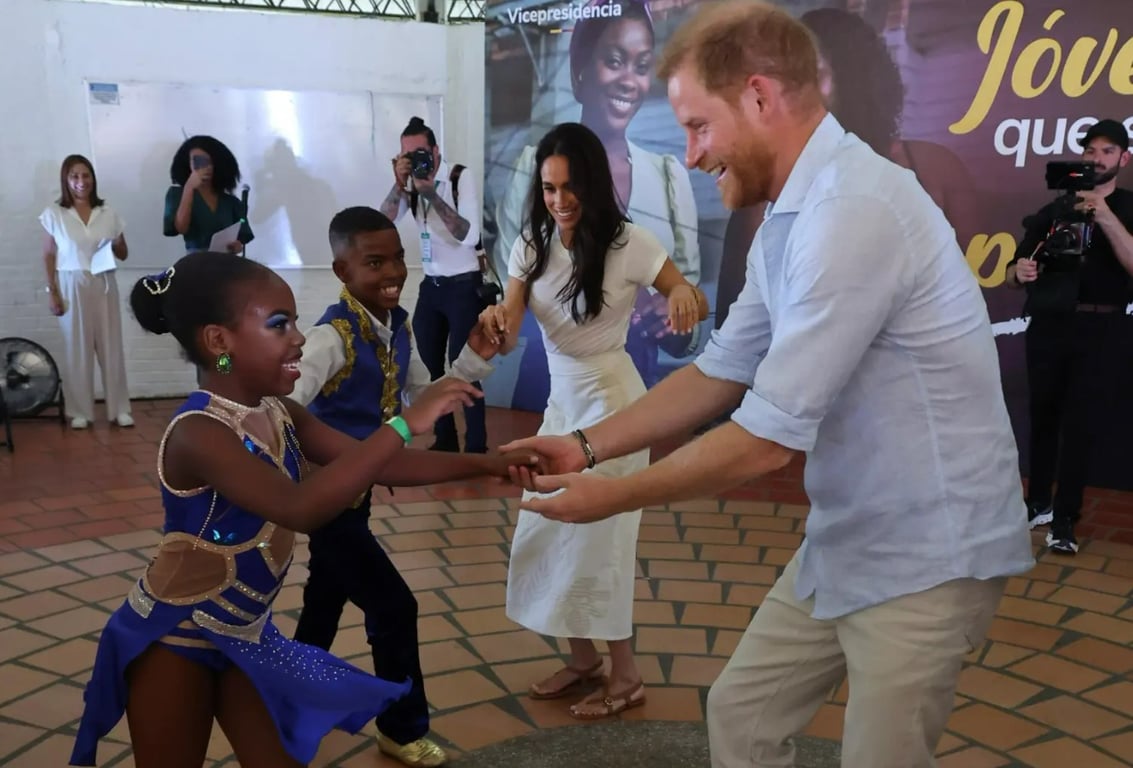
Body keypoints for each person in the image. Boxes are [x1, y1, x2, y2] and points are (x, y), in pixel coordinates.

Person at [498, 4, 1034, 766]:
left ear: (757, 97)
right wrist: (581, 447)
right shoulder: (795, 210)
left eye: (696, 126)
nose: (688, 156)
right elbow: (721, 369)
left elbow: (765, 440)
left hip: (929, 554)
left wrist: (609, 495)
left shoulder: (851, 207)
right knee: (743, 716)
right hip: (849, 535)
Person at [69, 250, 490, 768]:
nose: (298, 337)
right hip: (172, 639)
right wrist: (406, 422)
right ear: (219, 341)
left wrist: (492, 465)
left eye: (293, 321)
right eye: (279, 324)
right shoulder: (199, 432)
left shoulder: (279, 411)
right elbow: (299, 508)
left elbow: (378, 465)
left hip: (245, 635)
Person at [288, 206, 535, 767]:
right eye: (374, 262)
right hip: (329, 502)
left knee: (324, 600)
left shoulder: (395, 326)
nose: (392, 271)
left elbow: (428, 392)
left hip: (360, 493)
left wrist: (477, 354)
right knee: (394, 606)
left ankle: (287, 698)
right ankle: (400, 727)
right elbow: (284, 403)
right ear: (342, 271)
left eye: (398, 257)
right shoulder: (331, 336)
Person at [479, 122, 707, 719]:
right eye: (550, 188)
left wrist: (685, 297)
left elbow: (686, 292)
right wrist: (497, 324)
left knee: (599, 545)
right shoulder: (532, 240)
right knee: (547, 528)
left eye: (570, 186)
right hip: (562, 410)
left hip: (616, 409)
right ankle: (584, 661)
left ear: (593, 183)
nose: (560, 200)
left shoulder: (629, 242)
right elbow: (508, 324)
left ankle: (626, 676)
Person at [716, 6, 983, 328]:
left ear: (854, 78)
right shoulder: (764, 195)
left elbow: (969, 306)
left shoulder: (936, 169)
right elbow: (735, 330)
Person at [493, 0, 702, 403]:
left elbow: (689, 305)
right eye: (614, 60)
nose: (629, 80)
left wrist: (674, 316)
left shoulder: (668, 177)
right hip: (549, 383)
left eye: (641, 66)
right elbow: (512, 299)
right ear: (579, 69)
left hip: (635, 386)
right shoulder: (531, 169)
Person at [1005, 118, 1133, 555]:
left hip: (1101, 329)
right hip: (1049, 325)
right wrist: (1019, 272)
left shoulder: (1129, 207)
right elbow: (1018, 265)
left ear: (1123, 159)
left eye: (1106, 151)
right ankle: (1037, 503)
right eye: (1091, 150)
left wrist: (1106, 216)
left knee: (1080, 425)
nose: (1096, 158)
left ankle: (1065, 519)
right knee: (1043, 417)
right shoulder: (1055, 209)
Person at [379, 117, 489, 454]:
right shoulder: (409, 182)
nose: (415, 162)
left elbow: (468, 236)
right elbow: (382, 223)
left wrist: (431, 195)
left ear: (436, 150)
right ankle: (444, 440)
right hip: (432, 284)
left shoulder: (458, 177)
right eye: (407, 156)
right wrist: (399, 184)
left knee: (465, 365)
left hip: (464, 285)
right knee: (428, 364)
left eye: (421, 153)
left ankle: (475, 445)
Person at [40, 154, 134, 430]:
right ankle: (80, 410)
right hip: (71, 282)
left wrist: (116, 241)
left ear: (93, 178)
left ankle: (119, 409)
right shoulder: (55, 214)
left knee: (110, 347)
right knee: (76, 347)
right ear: (66, 180)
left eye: (86, 175)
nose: (81, 181)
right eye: (75, 176)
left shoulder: (108, 212)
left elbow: (124, 253)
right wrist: (52, 291)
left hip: (103, 281)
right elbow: (48, 254)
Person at [164, 135, 255, 255]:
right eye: (199, 162)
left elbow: (242, 234)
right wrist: (189, 188)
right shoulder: (177, 194)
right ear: (188, 163)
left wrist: (238, 245)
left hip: (227, 262)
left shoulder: (231, 202)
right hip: (195, 263)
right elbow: (181, 228)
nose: (206, 168)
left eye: (211, 162)